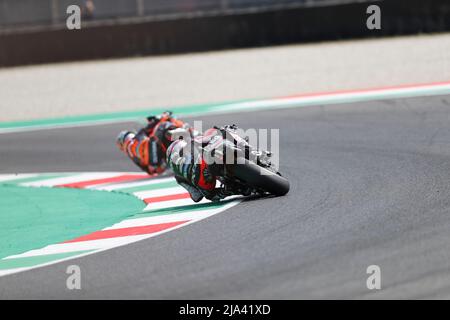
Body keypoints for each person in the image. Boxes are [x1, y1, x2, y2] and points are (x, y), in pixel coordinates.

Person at [116, 112, 224, 202]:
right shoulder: (133, 144)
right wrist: (162, 118)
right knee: (163, 127)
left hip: (167, 159)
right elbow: (146, 135)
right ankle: (197, 138)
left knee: (179, 173)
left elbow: (151, 170)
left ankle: (195, 187)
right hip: (167, 151)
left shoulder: (135, 155)